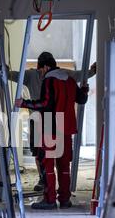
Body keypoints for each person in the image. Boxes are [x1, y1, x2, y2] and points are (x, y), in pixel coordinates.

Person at [15, 52, 89, 210]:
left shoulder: (49, 80)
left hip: (51, 126)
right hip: (67, 127)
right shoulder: (69, 79)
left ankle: (49, 200)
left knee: (47, 164)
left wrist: (24, 103)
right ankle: (64, 199)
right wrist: (84, 89)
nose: (40, 74)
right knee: (63, 166)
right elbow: (82, 99)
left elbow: (45, 104)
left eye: (40, 71)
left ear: (46, 67)